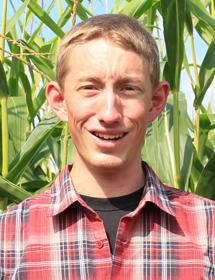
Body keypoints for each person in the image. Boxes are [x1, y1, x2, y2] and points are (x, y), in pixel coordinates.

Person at [0, 14, 214, 280]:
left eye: (128, 89)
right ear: (59, 101)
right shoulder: (8, 238)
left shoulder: (209, 230)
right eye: (90, 88)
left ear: (156, 101)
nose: (110, 113)